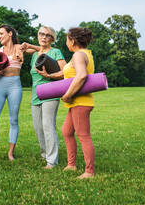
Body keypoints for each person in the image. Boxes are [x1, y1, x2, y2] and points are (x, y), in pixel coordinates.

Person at [20, 26, 66, 169]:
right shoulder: (35, 54)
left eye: (47, 35)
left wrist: (50, 76)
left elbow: (65, 72)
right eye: (41, 34)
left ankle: (52, 161)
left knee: (48, 126)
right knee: (38, 127)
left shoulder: (55, 52)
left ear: (52, 39)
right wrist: (23, 47)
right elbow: (26, 49)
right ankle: (45, 153)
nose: (44, 37)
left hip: (50, 92)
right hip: (36, 95)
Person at [0, 24, 24, 161]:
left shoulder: (19, 48)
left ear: (10, 34)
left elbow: (32, 48)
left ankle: (10, 153)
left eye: (1, 33)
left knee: (13, 119)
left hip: (15, 85)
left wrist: (23, 49)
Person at [60, 27, 95, 179]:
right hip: (76, 102)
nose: (66, 42)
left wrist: (68, 94)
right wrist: (49, 74)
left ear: (72, 41)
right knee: (66, 132)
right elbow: (70, 72)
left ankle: (89, 171)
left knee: (83, 135)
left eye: (67, 39)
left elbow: (81, 76)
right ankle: (71, 165)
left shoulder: (79, 55)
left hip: (80, 101)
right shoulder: (83, 54)